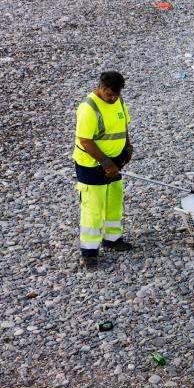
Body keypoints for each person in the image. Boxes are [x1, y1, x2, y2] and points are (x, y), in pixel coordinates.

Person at [73, 71, 133, 269]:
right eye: (110, 94)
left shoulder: (118, 100)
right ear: (101, 88)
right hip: (92, 165)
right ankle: (89, 253)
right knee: (93, 208)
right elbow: (85, 140)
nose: (113, 98)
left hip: (116, 162)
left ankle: (112, 239)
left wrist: (127, 147)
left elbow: (124, 124)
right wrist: (106, 163)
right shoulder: (88, 108)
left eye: (116, 94)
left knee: (114, 200)